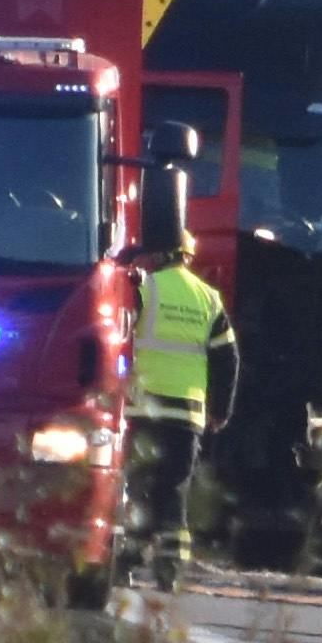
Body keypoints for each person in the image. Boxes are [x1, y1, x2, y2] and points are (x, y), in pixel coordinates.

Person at [125, 164, 222, 579]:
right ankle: (170, 565)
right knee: (175, 489)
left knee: (137, 484)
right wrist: (221, 410)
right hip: (187, 413)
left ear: (163, 251)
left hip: (143, 406)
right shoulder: (208, 298)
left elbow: (122, 338)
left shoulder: (144, 288)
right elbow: (228, 360)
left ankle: (128, 559)